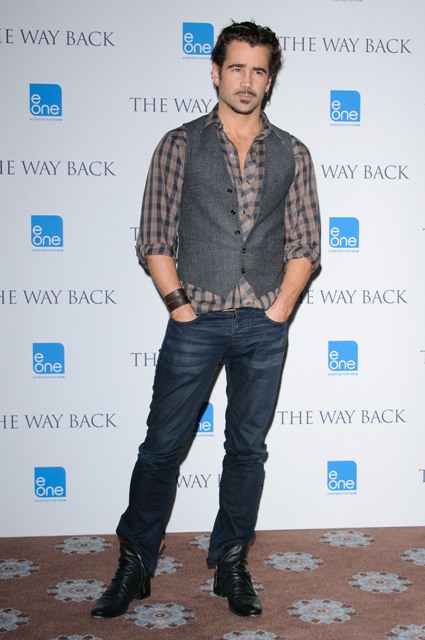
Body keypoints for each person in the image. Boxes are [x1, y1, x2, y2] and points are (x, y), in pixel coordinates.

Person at [91, 20, 320, 620]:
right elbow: (154, 235)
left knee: (247, 450)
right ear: (216, 72)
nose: (247, 81)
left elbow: (305, 244)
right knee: (162, 447)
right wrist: (181, 308)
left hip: (263, 325)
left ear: (270, 80)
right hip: (197, 321)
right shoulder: (179, 144)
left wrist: (279, 310)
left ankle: (232, 563)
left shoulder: (294, 152)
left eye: (258, 71)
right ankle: (135, 564)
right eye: (236, 68)